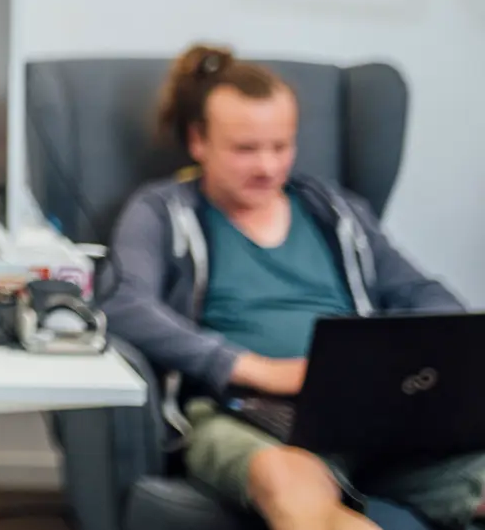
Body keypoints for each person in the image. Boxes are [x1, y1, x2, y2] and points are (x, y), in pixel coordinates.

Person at [105, 44, 485, 530]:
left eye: (280, 146)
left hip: (373, 413)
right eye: (245, 149)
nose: (267, 166)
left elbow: (418, 291)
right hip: (246, 414)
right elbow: (123, 303)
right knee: (291, 483)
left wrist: (452, 355)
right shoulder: (163, 212)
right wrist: (256, 369)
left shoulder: (335, 210)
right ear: (199, 140)